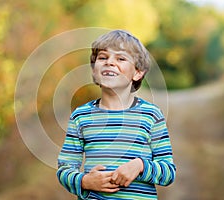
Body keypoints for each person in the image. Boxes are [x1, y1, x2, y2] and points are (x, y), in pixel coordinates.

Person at [57, 30, 176, 199]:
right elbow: (65, 168)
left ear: (137, 72)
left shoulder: (151, 115)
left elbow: (168, 172)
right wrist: (85, 181)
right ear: (94, 70)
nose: (110, 63)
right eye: (103, 58)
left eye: (120, 58)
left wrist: (140, 166)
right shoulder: (81, 117)